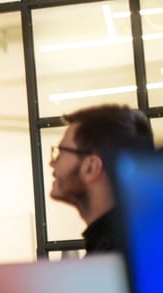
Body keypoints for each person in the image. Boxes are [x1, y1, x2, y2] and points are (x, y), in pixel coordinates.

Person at [49, 103, 154, 254]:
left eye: (61, 152)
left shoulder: (117, 257)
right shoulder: (140, 241)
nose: (52, 163)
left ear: (91, 167)